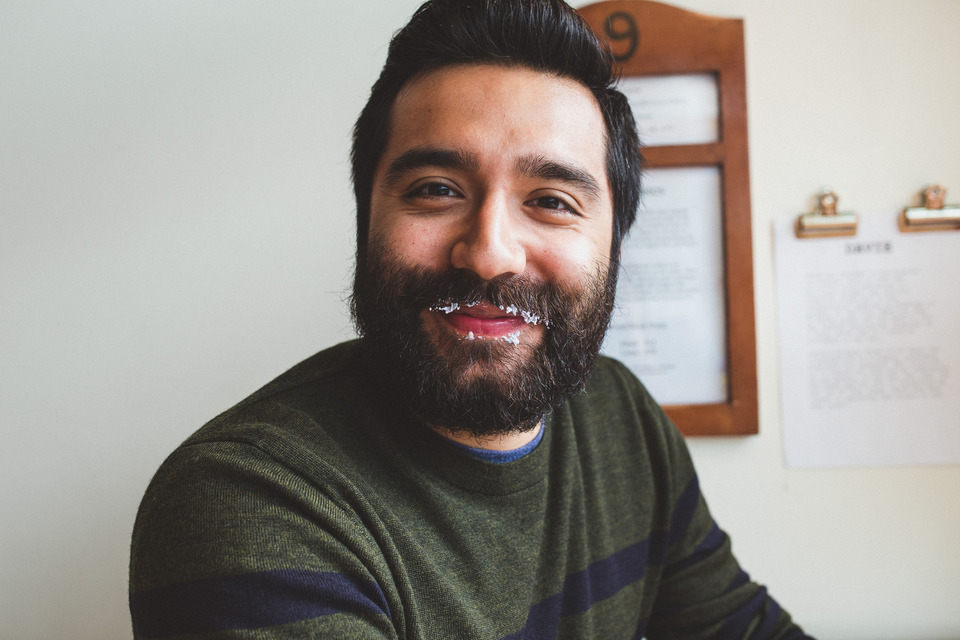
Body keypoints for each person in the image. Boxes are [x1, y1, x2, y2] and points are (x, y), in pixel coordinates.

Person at [129, 0, 812, 638]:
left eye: (551, 200)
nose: (488, 253)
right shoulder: (247, 500)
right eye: (436, 190)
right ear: (367, 220)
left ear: (615, 245)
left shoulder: (621, 417)